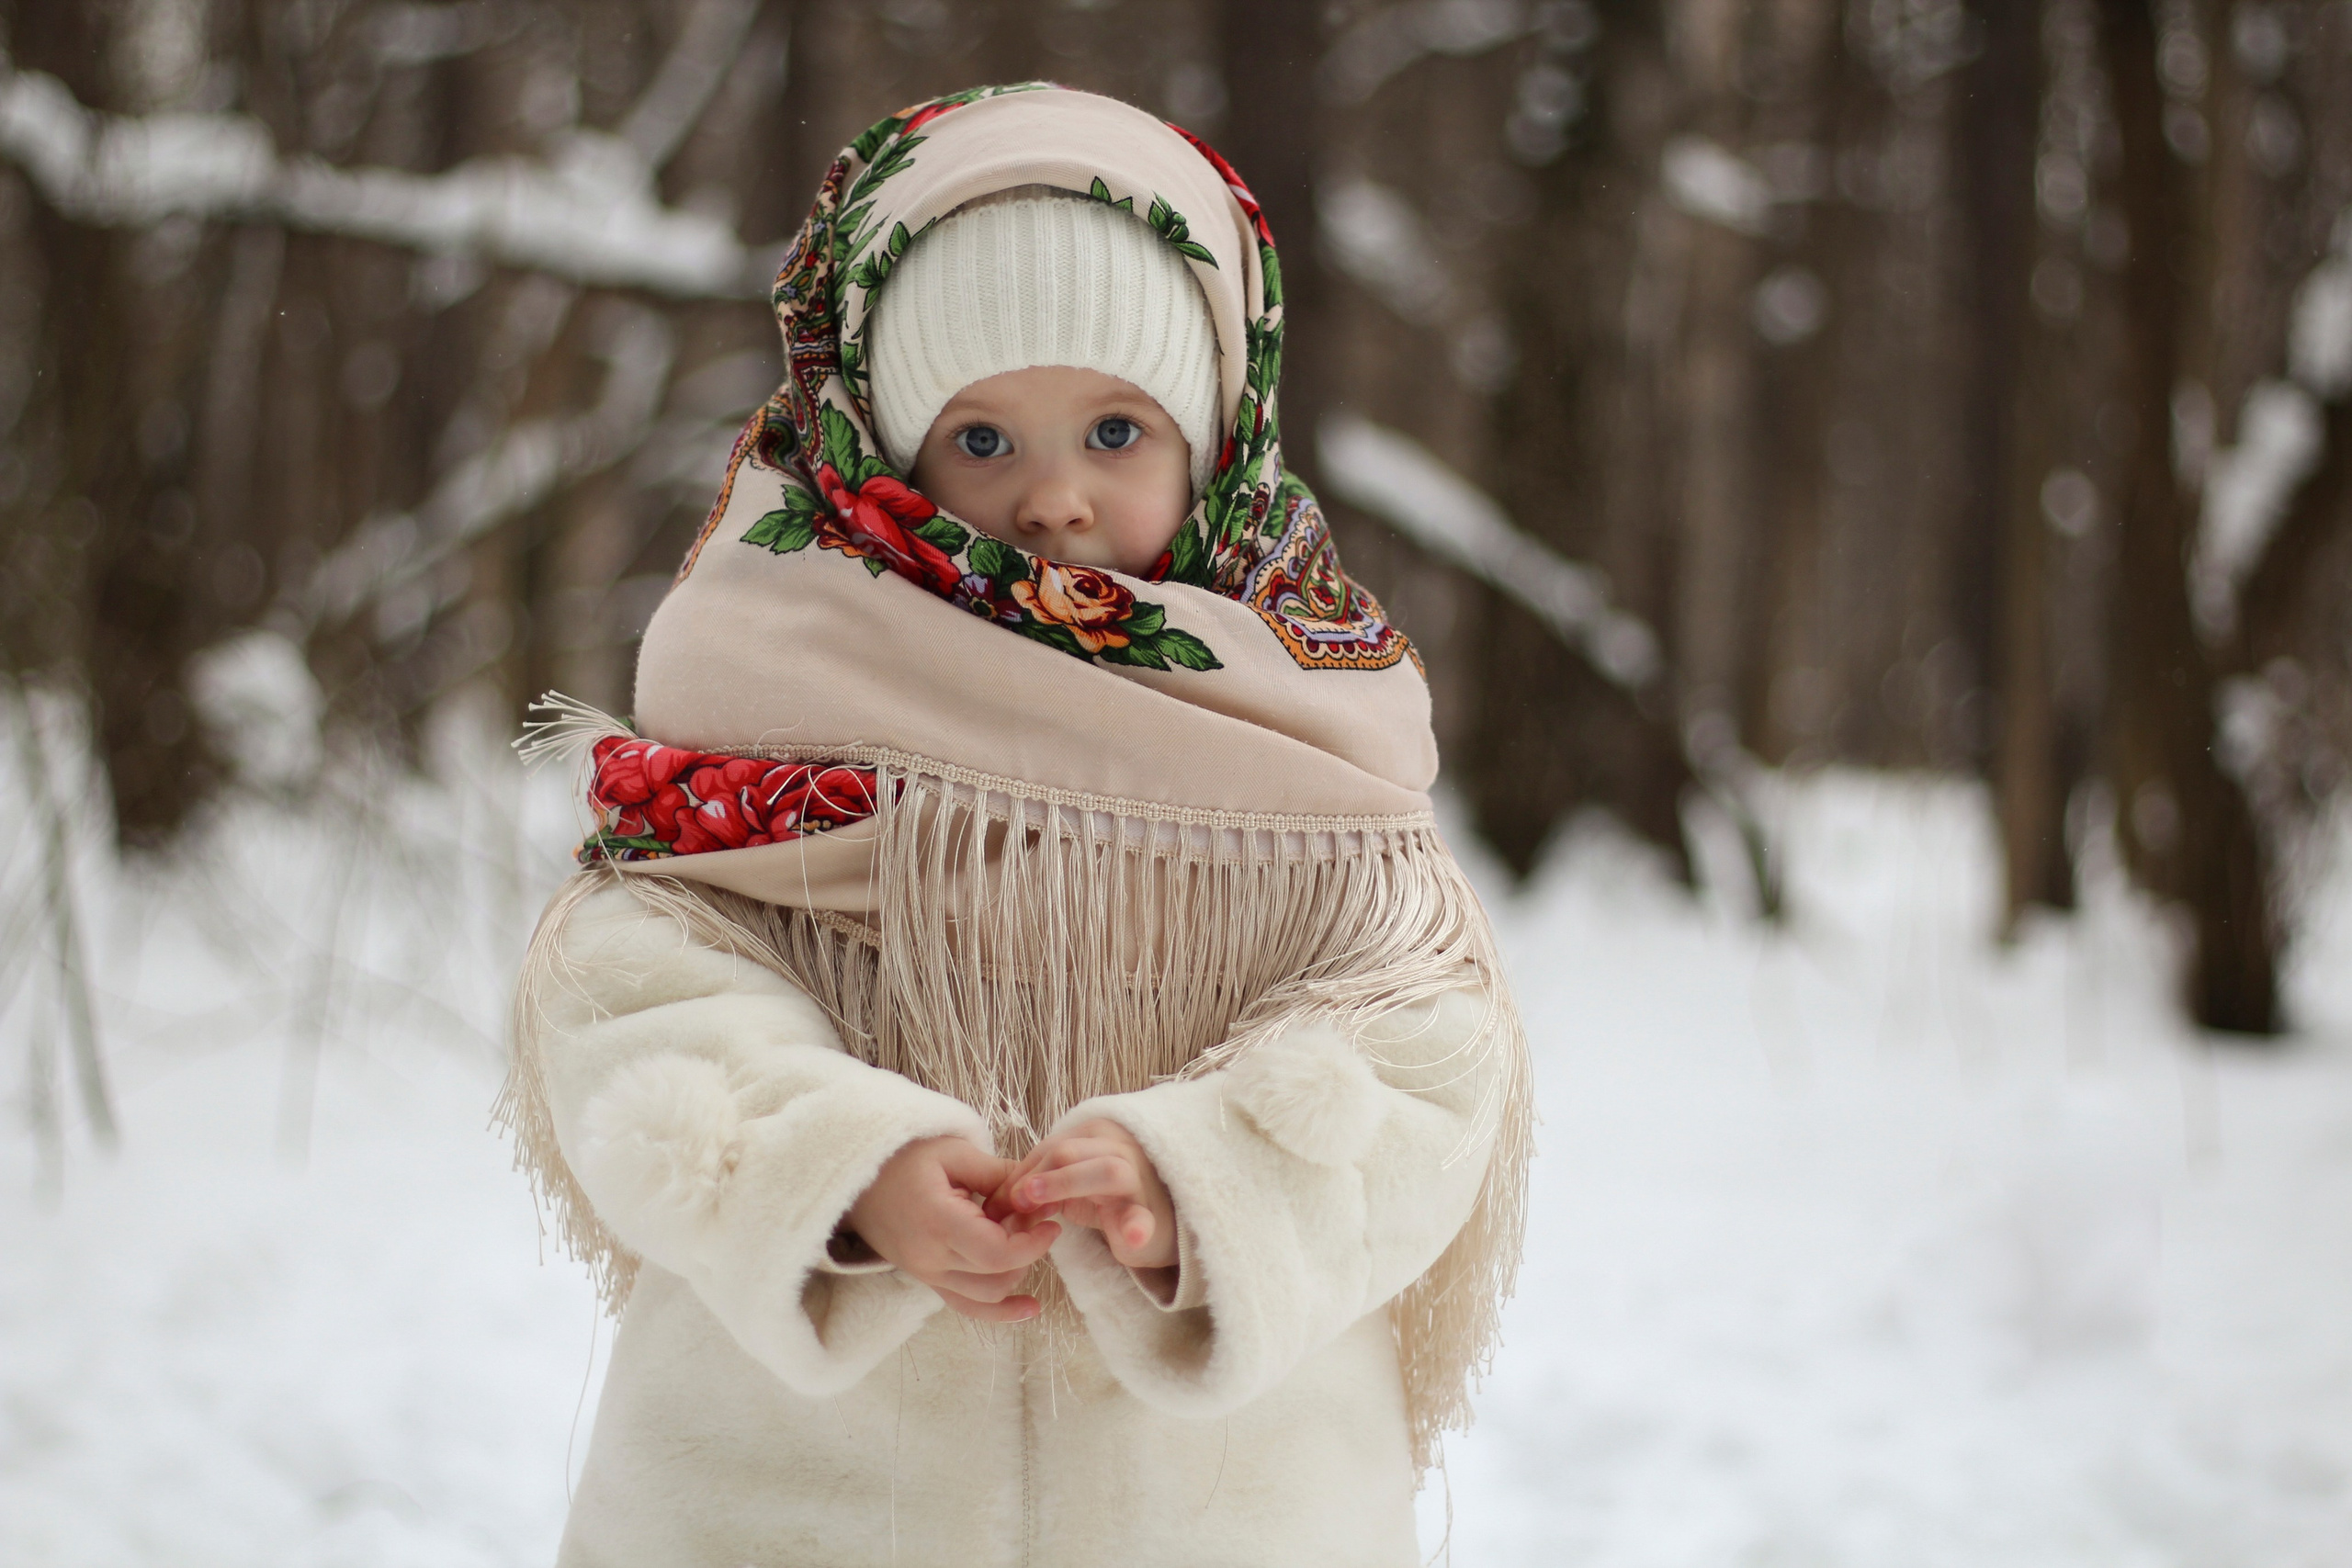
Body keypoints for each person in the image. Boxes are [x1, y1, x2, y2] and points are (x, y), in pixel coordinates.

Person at [500, 83, 1532, 1567]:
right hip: (788, 1505)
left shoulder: (1316, 722)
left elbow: (1424, 1058)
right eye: (980, 439)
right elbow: (628, 985)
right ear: (875, 445)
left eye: (1117, 428)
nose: (1054, 498)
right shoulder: (775, 677)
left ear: (1218, 429)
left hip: (1225, 1508)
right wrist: (840, 1167)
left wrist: (1205, 1183)